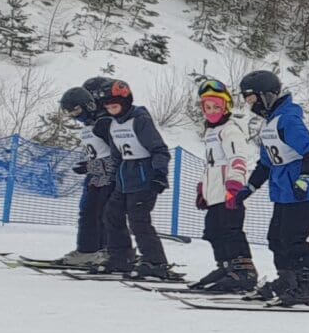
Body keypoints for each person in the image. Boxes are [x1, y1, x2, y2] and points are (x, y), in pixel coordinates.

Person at [239, 71, 309, 307]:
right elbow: (266, 163)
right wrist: (249, 188)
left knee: (294, 238)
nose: (252, 107)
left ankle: (308, 285)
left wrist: (305, 179)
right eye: (248, 102)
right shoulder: (270, 124)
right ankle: (288, 279)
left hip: (300, 190)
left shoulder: (288, 119)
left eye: (253, 100)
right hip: (282, 191)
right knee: (276, 238)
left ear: (266, 96)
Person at [188, 77, 259, 293]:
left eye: (216, 106)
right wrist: (203, 188)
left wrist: (235, 187)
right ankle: (225, 266)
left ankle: (244, 270)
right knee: (213, 230)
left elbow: (238, 159)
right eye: (207, 107)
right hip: (214, 193)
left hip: (228, 192)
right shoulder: (210, 132)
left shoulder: (230, 130)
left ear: (225, 106)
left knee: (230, 230)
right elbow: (211, 164)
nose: (211, 111)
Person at [98, 79, 175, 280]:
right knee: (111, 215)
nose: (111, 106)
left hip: (144, 178)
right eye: (108, 103)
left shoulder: (139, 119)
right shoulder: (113, 125)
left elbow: (159, 149)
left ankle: (155, 261)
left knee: (138, 220)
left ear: (126, 100)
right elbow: (116, 156)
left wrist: (160, 174)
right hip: (124, 179)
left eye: (115, 102)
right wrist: (107, 176)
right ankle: (120, 257)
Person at [61, 84, 117, 268]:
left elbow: (118, 155)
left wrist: (92, 166)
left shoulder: (104, 123)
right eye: (70, 112)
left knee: (102, 214)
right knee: (88, 213)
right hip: (95, 176)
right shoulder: (88, 126)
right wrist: (90, 167)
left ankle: (103, 250)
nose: (74, 116)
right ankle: (89, 250)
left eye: (76, 110)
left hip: (108, 176)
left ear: (88, 104)